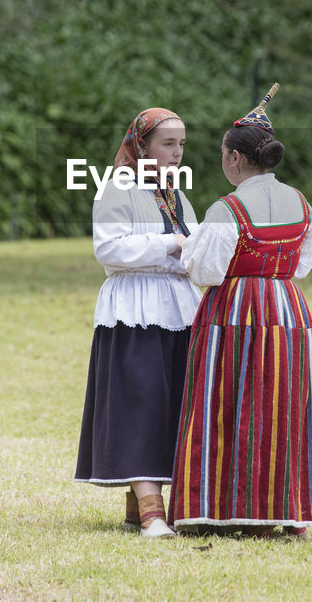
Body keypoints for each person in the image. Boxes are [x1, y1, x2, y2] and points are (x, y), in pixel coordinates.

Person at [169, 84, 312, 537]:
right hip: (289, 310)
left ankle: (223, 508)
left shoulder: (227, 208)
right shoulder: (302, 203)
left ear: (235, 159)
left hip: (235, 311)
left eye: (221, 153)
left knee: (226, 404)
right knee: (283, 407)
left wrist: (186, 251)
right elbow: (305, 262)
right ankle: (282, 511)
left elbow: (204, 270)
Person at [74, 108, 201, 539]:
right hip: (136, 308)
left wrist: (193, 251)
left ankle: (143, 508)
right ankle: (150, 515)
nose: (177, 153)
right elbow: (109, 248)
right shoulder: (116, 188)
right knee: (140, 404)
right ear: (141, 144)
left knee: (172, 406)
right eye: (168, 144)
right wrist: (171, 244)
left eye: (181, 144)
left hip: (179, 310)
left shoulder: (176, 194)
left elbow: (195, 245)